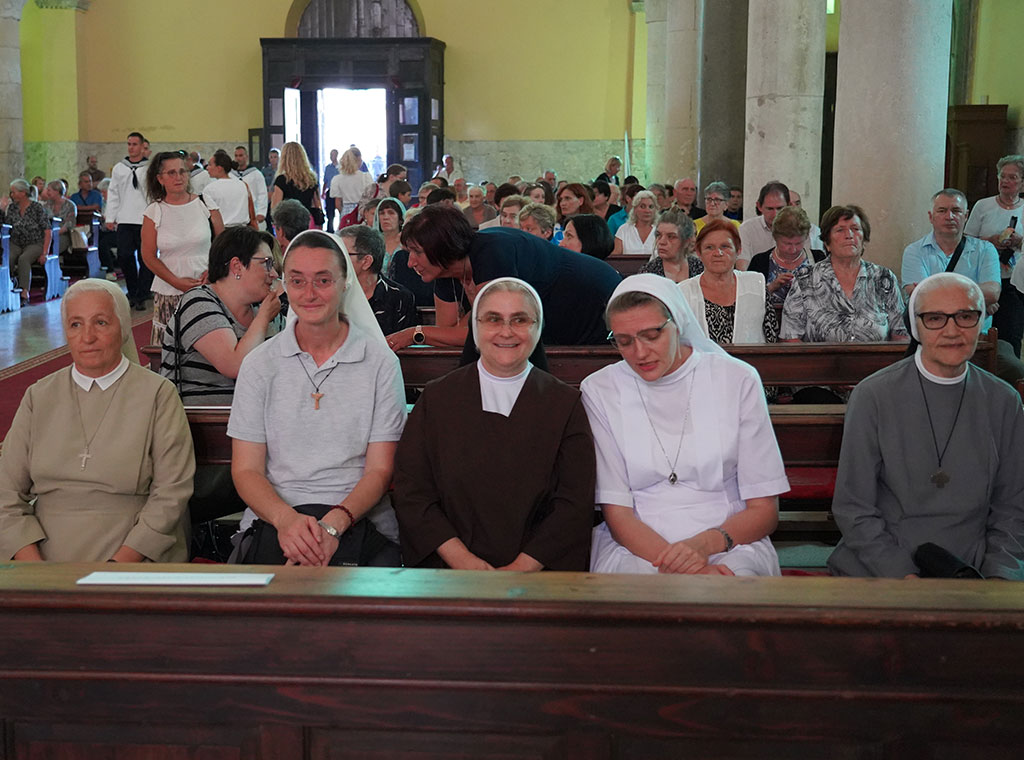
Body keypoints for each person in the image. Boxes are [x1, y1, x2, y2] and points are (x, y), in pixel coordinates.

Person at [583, 274, 788, 576]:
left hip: (730, 539)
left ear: (677, 323)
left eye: (651, 335)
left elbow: (764, 511)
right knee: (638, 596)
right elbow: (618, 514)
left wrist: (703, 547)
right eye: (624, 342)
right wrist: (687, 571)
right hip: (638, 544)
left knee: (731, 591)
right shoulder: (600, 389)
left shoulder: (737, 379)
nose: (639, 353)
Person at [828, 273, 1024, 580]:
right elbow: (854, 508)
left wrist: (998, 575)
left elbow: (1013, 507)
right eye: (935, 318)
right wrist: (902, 574)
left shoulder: (1004, 401)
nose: (952, 330)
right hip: (882, 565)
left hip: (974, 566)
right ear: (915, 326)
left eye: (965, 316)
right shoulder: (872, 396)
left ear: (981, 322)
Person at [228, 230, 406, 567]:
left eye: (323, 280)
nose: (309, 293)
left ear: (345, 284)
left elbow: (380, 470)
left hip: (359, 519)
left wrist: (332, 526)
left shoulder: (381, 363)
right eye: (297, 281)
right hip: (275, 519)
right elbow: (246, 470)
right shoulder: (259, 364)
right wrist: (287, 522)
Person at [393, 278, 596, 571]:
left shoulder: (565, 404)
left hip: (539, 576)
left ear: (538, 327)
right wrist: (462, 560)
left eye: (520, 320)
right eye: (493, 319)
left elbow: (573, 502)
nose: (506, 331)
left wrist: (521, 568)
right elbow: (413, 490)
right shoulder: (437, 398)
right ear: (475, 328)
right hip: (448, 572)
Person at [0, 278, 194, 562]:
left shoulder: (158, 394)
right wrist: (36, 569)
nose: (87, 337)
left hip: (133, 554)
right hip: (43, 556)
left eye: (100, 323)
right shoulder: (39, 395)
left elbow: (171, 494)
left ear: (123, 327)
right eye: (75, 324)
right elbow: (5, 493)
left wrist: (116, 568)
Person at [398, 205, 622, 347]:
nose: (410, 263)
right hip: (554, 326)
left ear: (442, 248)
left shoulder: (492, 251)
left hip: (593, 305)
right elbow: (448, 334)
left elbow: (488, 329)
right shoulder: (445, 271)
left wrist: (414, 333)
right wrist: (427, 333)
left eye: (417, 252)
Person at [160, 226, 281, 404]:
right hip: (202, 419)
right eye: (266, 263)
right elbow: (234, 366)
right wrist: (263, 318)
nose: (274, 274)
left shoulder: (264, 308)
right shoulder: (198, 302)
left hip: (255, 414)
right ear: (237, 266)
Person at [781, 204, 907, 343]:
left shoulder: (883, 278)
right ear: (827, 243)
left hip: (876, 357)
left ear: (864, 240)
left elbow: (901, 334)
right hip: (818, 357)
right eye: (840, 230)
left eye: (855, 229)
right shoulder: (805, 279)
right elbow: (790, 338)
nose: (849, 235)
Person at [141, 151, 226, 344]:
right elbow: (148, 255)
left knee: (210, 345)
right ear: (160, 179)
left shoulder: (205, 203)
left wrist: (212, 271)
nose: (178, 177)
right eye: (171, 173)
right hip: (169, 291)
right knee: (171, 347)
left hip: (207, 286)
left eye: (182, 171)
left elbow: (223, 245)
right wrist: (176, 281)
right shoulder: (154, 211)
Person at [681, 219, 778, 344]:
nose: (718, 253)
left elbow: (771, 338)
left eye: (725, 246)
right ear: (699, 253)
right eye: (709, 247)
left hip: (751, 357)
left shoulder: (756, 284)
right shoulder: (683, 292)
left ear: (738, 250)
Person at [341, 225, 416, 337]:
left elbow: (406, 344)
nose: (335, 260)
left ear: (366, 261)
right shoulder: (333, 293)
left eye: (343, 254)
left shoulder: (399, 298)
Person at [747, 205, 826, 312]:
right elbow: (748, 301)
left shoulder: (818, 258)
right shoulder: (760, 261)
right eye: (786, 243)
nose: (793, 250)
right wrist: (771, 287)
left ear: (807, 236)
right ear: (775, 237)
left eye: (798, 243)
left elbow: (829, 297)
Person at [105, 131, 152, 310]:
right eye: (129, 144)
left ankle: (142, 293)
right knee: (124, 255)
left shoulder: (149, 168)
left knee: (145, 258)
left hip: (145, 218)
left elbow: (154, 193)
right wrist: (110, 217)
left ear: (142, 146)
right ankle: (132, 291)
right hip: (125, 219)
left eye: (135, 144)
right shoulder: (119, 168)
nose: (131, 148)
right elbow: (113, 193)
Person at [3, 179, 52, 305]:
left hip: (34, 242)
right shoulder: (12, 208)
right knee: (8, 258)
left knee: (24, 259)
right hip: (16, 242)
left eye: (13, 192)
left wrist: (45, 252)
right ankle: (7, 286)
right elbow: (7, 226)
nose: (11, 195)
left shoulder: (37, 207)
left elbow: (47, 230)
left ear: (23, 193)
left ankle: (24, 292)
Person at [736, 181, 790, 271]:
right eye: (770, 209)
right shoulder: (747, 229)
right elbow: (742, 268)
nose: (775, 214)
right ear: (759, 206)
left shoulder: (798, 229)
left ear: (788, 206)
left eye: (780, 208)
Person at [639, 207, 703, 283]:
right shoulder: (648, 272)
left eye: (671, 237)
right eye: (659, 235)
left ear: (686, 242)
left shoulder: (700, 268)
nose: (662, 242)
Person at [270, 141, 323, 223]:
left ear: (284, 158)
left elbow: (275, 208)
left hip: (288, 222)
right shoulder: (311, 179)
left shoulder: (282, 180)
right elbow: (317, 204)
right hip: (306, 221)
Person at [202, 151, 257, 228]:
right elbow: (252, 215)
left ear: (219, 168)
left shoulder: (209, 189)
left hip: (223, 230)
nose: (207, 167)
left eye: (210, 165)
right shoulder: (243, 185)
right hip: (244, 230)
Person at [329, 147, 373, 222]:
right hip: (362, 211)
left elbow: (338, 203)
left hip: (346, 213)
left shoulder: (337, 179)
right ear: (359, 159)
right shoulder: (365, 177)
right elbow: (370, 198)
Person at [232, 146, 269, 230]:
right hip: (236, 215)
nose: (238, 158)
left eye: (241, 155)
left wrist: (261, 212)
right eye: (236, 156)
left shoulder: (256, 174)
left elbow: (262, 194)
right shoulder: (231, 175)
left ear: (246, 157)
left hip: (253, 212)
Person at [612, 189, 658, 256]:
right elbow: (615, 257)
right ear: (635, 209)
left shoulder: (660, 230)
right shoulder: (623, 230)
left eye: (651, 207)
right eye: (642, 206)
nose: (647, 210)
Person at [40, 180, 77, 256]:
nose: (47, 192)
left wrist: (55, 233)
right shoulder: (46, 205)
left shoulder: (70, 205)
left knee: (54, 244)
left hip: (63, 235)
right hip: (47, 234)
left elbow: (69, 224)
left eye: (49, 190)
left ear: (57, 191)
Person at [321, 148, 340, 232]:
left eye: (333, 155)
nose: (331, 157)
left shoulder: (341, 168)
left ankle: (340, 228)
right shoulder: (328, 168)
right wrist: (323, 192)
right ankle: (330, 229)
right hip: (330, 191)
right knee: (330, 212)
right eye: (331, 155)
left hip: (339, 192)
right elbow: (325, 181)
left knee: (340, 210)